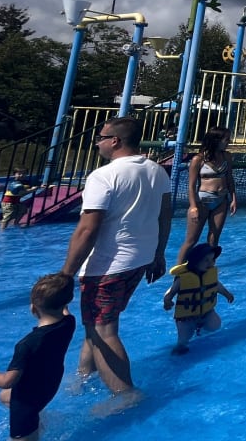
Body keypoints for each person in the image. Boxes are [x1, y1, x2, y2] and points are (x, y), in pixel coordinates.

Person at [61, 117, 172, 395]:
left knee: (104, 331)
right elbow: (165, 217)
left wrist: (65, 275)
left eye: (100, 136)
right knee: (96, 324)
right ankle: (84, 378)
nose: (97, 142)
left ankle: (125, 394)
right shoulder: (157, 171)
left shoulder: (103, 176)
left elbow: (87, 230)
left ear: (115, 141)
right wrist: (159, 254)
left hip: (107, 265)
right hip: (139, 260)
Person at [0, 273, 76, 441]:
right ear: (66, 303)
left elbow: (8, 381)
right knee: (5, 397)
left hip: (26, 405)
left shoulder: (27, 345)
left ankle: (31, 428)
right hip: (48, 387)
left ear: (33, 308)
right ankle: (37, 422)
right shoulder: (69, 323)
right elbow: (64, 309)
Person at [176, 127, 237, 266]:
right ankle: (179, 270)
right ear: (216, 140)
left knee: (214, 238)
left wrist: (234, 198)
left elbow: (229, 178)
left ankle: (209, 267)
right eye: (226, 139)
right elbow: (191, 186)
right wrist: (193, 206)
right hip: (202, 202)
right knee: (192, 240)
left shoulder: (226, 156)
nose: (229, 142)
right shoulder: (198, 159)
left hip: (221, 201)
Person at [163, 242, 234, 353]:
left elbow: (217, 286)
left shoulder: (210, 275)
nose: (210, 263)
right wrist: (167, 300)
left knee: (215, 326)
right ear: (195, 262)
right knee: (184, 340)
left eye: (212, 260)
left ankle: (200, 329)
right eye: (206, 260)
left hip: (207, 312)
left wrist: (227, 294)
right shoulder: (182, 279)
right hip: (186, 318)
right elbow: (171, 292)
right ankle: (179, 349)